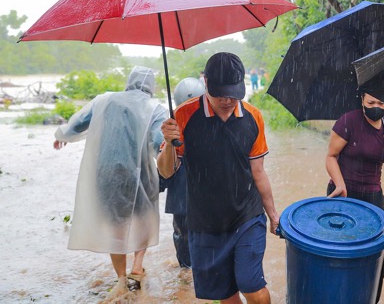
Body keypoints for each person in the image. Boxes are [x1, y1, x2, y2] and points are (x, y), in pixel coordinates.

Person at [157, 52, 279, 304]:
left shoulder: (253, 117)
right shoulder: (183, 116)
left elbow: (259, 172)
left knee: (252, 287)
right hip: (205, 223)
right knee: (225, 294)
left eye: (233, 94)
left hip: (247, 215)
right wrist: (169, 144)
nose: (227, 100)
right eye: (220, 93)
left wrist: (273, 215)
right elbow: (166, 172)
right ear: (206, 84)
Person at [53, 66, 168, 298]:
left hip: (107, 174)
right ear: (152, 87)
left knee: (116, 225)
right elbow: (159, 143)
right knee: (144, 218)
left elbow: (77, 124)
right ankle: (138, 266)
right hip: (140, 173)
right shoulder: (156, 109)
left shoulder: (103, 100)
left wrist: (61, 136)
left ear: (129, 81)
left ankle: (122, 278)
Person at [325, 92, 384, 303]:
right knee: (340, 254)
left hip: (373, 198)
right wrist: (340, 183)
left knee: (379, 259)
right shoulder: (348, 121)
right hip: (343, 195)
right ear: (362, 101)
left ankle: (367, 298)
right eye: (370, 102)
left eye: (381, 103)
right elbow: (331, 157)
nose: (375, 106)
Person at [159, 77, 206, 268]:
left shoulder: (216, 121)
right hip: (184, 196)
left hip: (193, 197)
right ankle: (187, 277)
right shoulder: (172, 127)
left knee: (188, 239)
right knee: (185, 238)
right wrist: (170, 143)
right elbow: (164, 171)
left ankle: (187, 278)